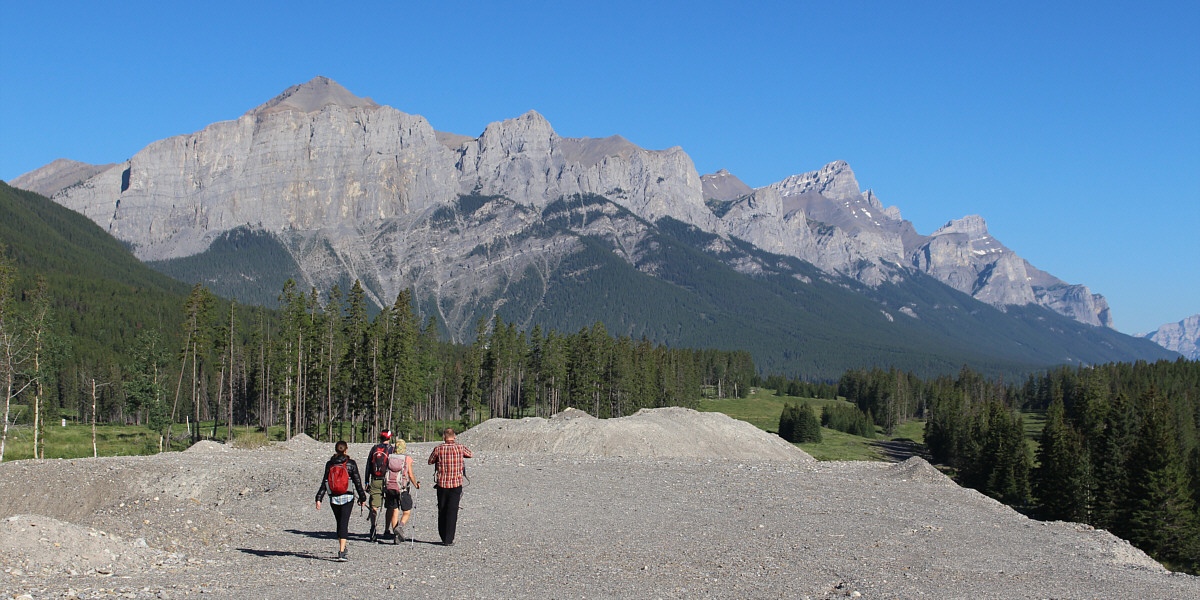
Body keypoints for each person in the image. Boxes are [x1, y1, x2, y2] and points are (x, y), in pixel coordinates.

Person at [315, 440, 367, 561]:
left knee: (339, 522)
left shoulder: (330, 464)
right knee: (344, 523)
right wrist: (362, 497)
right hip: (347, 497)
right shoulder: (351, 463)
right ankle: (342, 551)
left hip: (333, 498)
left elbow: (325, 482)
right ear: (346, 450)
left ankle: (342, 544)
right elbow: (357, 481)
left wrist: (319, 498)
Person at [427, 427, 472, 546]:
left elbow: (430, 461)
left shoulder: (438, 449)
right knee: (453, 511)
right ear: (454, 436)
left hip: (442, 484)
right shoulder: (460, 447)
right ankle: (449, 539)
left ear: (444, 437)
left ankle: (443, 535)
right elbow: (470, 454)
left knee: (442, 509)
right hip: (456, 484)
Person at [385, 439, 420, 544]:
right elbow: (410, 474)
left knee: (395, 511)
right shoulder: (407, 458)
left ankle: (396, 534)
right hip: (402, 488)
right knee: (407, 511)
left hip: (390, 487)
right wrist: (416, 484)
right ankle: (400, 527)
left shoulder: (389, 457)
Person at [364, 430, 396, 540]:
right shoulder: (391, 449)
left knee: (374, 505)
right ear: (389, 438)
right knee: (390, 505)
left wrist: (366, 481)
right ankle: (387, 529)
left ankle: (373, 527)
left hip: (375, 480)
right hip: (388, 480)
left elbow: (368, 465)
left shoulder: (374, 448)